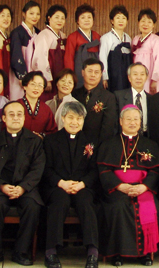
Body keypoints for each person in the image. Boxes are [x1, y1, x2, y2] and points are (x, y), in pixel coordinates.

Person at [97, 105, 159, 266]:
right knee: (118, 206)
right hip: (117, 189)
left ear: (141, 122)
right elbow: (104, 170)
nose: (133, 122)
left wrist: (144, 187)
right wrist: (119, 186)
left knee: (152, 206)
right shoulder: (109, 144)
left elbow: (155, 171)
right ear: (121, 121)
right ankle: (117, 253)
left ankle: (145, 253)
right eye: (129, 119)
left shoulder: (150, 144)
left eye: (136, 119)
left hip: (142, 188)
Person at [0, 101, 45, 267]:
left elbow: (37, 169)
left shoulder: (35, 141)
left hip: (26, 188)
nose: (16, 118)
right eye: (11, 114)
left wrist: (23, 187)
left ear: (24, 118)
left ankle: (21, 251)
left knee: (33, 206)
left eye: (19, 114)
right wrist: (1, 186)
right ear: (4, 118)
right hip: (0, 187)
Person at [42, 101, 99, 268]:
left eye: (79, 118)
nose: (75, 122)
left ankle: (92, 252)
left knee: (86, 203)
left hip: (82, 186)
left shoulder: (91, 142)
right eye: (71, 118)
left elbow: (95, 170)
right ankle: (51, 252)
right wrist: (61, 183)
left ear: (83, 120)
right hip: (57, 186)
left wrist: (82, 184)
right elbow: (46, 169)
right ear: (63, 118)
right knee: (59, 202)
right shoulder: (51, 140)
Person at [72, 58, 118, 144]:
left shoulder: (108, 97)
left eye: (96, 72)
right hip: (74, 143)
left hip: (97, 145)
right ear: (82, 72)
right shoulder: (74, 94)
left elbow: (108, 128)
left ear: (101, 74)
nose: (93, 75)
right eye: (89, 71)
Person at [29, 4, 67, 96]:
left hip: (60, 74)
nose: (60, 20)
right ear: (49, 18)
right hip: (50, 75)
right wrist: (46, 79)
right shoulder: (44, 35)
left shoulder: (63, 35)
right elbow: (40, 58)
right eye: (57, 17)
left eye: (62, 18)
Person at [9, 0, 41, 100]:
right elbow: (16, 55)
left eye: (37, 14)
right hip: (20, 73)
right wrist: (22, 76)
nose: (34, 16)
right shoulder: (17, 33)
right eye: (31, 13)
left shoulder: (39, 33)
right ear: (24, 14)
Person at [64, 4, 101, 88]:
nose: (86, 20)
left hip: (94, 73)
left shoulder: (97, 36)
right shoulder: (73, 37)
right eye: (83, 17)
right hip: (79, 72)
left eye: (89, 17)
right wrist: (70, 77)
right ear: (77, 20)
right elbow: (68, 59)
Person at [132, 8, 159, 94]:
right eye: (143, 21)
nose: (145, 24)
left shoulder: (156, 40)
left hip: (151, 77)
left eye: (149, 22)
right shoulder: (135, 39)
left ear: (153, 25)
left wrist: (154, 79)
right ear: (138, 23)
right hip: (138, 76)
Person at [114, 63, 155, 137]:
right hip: (124, 138)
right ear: (129, 78)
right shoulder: (118, 96)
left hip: (146, 138)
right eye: (135, 74)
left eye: (142, 74)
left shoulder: (152, 99)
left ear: (146, 77)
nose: (138, 78)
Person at [99, 5, 132, 93]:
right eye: (118, 18)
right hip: (113, 74)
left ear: (127, 21)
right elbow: (102, 57)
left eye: (123, 18)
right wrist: (104, 77)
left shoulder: (128, 38)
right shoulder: (106, 38)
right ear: (112, 21)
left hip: (126, 75)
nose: (121, 21)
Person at [18, 71, 57, 137]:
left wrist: (41, 136)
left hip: (39, 145)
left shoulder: (46, 109)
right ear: (24, 86)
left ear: (42, 89)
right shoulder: (16, 105)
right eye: (33, 84)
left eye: (40, 85)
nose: (36, 88)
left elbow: (52, 131)